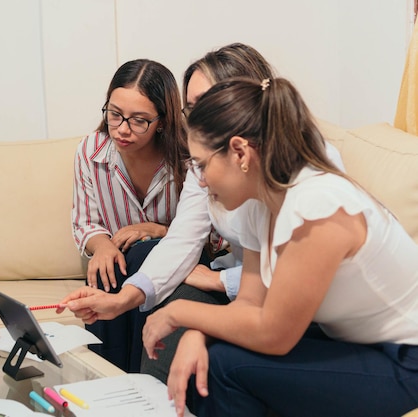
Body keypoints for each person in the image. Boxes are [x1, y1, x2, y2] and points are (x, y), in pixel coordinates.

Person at [62, 44, 344, 381]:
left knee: (209, 347)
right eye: (192, 109)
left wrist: (219, 280)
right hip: (245, 291)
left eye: (206, 106)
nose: (196, 122)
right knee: (169, 320)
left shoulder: (308, 165)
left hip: (281, 299)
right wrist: (124, 299)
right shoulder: (204, 163)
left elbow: (299, 272)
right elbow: (184, 237)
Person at [142, 77, 418, 417]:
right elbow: (248, 305)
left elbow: (275, 334)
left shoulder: (317, 207)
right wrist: (196, 334)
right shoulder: (262, 204)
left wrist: (177, 313)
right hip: (359, 346)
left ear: (240, 152)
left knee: (224, 367)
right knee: (217, 355)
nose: (200, 180)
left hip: (406, 359)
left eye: (202, 165)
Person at [70, 58, 188, 372]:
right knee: (108, 264)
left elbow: (210, 233)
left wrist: (158, 229)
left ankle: (137, 379)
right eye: (114, 114)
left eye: (139, 120)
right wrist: (103, 246)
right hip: (119, 264)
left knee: (142, 253)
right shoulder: (91, 152)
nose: (122, 129)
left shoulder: (187, 156)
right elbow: (85, 222)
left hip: (177, 262)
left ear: (162, 121)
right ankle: (105, 379)